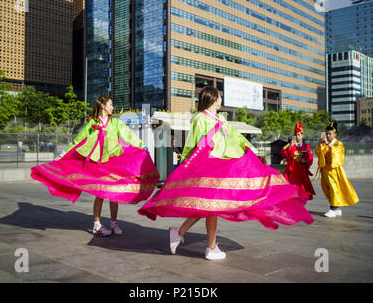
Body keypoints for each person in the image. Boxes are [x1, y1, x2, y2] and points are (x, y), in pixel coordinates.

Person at [138, 86, 314, 260]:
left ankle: (184, 235)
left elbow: (235, 137)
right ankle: (208, 246)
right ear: (214, 99)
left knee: (211, 206)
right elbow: (194, 144)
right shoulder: (200, 118)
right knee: (211, 206)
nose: (221, 100)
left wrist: (250, 149)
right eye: (219, 97)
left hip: (223, 166)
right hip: (207, 168)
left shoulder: (221, 119)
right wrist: (187, 165)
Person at [31, 95, 159, 236]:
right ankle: (97, 225)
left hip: (113, 163)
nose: (112, 107)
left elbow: (128, 135)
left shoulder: (115, 123)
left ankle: (113, 224)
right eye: (110, 104)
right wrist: (62, 155)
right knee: (100, 195)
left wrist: (143, 146)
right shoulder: (92, 124)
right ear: (103, 106)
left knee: (114, 195)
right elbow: (78, 140)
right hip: (97, 164)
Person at [315, 120, 359, 218]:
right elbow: (318, 153)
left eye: (329, 134)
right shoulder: (324, 144)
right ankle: (337, 208)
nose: (327, 135)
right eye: (326, 134)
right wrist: (320, 144)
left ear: (335, 134)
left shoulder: (339, 144)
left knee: (334, 189)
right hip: (325, 170)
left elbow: (338, 156)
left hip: (334, 171)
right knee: (327, 190)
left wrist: (328, 145)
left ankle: (333, 209)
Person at [281, 122, 315, 199]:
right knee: (291, 193)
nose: (298, 137)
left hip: (301, 172)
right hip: (292, 172)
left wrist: (305, 160)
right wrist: (290, 147)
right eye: (296, 134)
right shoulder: (290, 145)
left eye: (299, 135)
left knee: (303, 193)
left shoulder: (306, 146)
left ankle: (300, 208)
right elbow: (284, 153)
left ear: (302, 135)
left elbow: (310, 157)